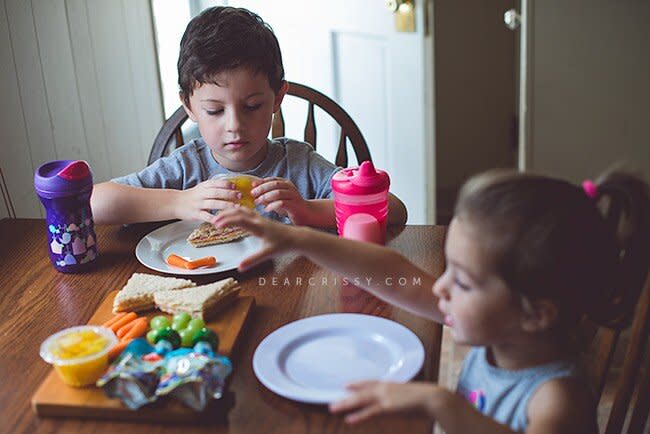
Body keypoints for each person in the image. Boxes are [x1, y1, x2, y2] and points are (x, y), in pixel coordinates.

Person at [212, 169, 650, 433]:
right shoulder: (499, 330)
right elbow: (388, 273)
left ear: (536, 313)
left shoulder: (556, 399)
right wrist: (298, 238)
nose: (440, 288)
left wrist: (442, 405)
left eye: (462, 281)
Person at [90, 6, 407, 227]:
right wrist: (179, 202)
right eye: (214, 111)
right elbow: (93, 203)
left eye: (252, 106)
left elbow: (393, 209)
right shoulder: (185, 168)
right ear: (189, 107)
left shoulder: (299, 165)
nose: (234, 126)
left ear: (276, 99)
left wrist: (307, 210)